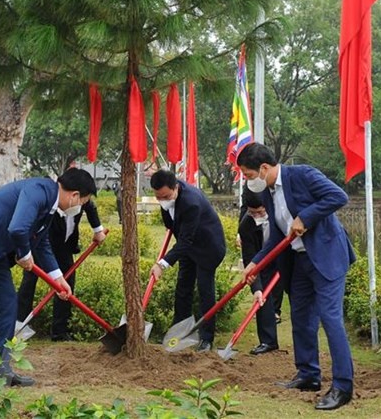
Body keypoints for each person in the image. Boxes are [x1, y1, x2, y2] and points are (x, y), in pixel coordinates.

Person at [0, 168, 96, 390]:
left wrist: (58, 278)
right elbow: (18, 228)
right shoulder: (39, 191)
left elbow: (42, 242)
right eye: (83, 202)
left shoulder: (49, 203)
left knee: (8, 306)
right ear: (75, 195)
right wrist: (25, 254)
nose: (80, 207)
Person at [237, 142, 355, 411]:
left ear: (264, 168)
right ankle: (308, 374)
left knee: (330, 318)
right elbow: (278, 235)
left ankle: (342, 386)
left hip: (326, 256)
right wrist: (254, 262)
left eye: (248, 174)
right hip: (299, 261)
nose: (247, 180)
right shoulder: (267, 192)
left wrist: (306, 217)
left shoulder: (303, 175)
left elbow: (338, 196)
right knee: (300, 317)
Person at [149, 170, 226, 352]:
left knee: (205, 291)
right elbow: (171, 225)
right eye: (158, 197)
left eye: (166, 196)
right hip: (188, 247)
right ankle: (179, 331)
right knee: (183, 288)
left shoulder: (191, 202)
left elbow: (185, 241)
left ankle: (207, 338)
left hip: (208, 248)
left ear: (175, 188)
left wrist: (162, 264)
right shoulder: (167, 197)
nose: (162, 200)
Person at [16, 198, 106, 341]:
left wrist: (98, 230)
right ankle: (19, 324)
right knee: (29, 282)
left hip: (64, 247)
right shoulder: (51, 204)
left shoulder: (81, 199)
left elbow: (90, 207)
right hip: (42, 248)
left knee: (66, 286)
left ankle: (60, 331)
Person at [238, 187, 279, 355]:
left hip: (287, 256)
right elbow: (250, 258)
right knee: (263, 296)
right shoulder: (246, 225)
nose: (257, 217)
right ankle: (268, 341)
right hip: (262, 261)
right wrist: (256, 288)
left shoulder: (280, 214)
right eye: (252, 213)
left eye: (260, 212)